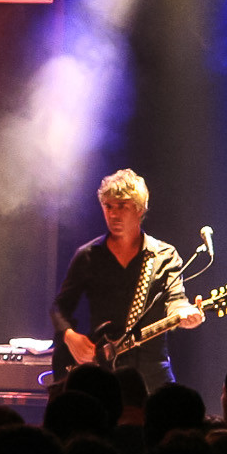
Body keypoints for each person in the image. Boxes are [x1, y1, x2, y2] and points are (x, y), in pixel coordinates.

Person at [51, 168, 201, 392]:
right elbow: (60, 307)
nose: (113, 214)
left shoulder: (164, 255)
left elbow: (176, 299)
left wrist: (185, 313)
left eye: (122, 206)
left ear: (139, 209)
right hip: (102, 372)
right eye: (108, 206)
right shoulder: (88, 255)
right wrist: (70, 336)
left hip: (151, 373)